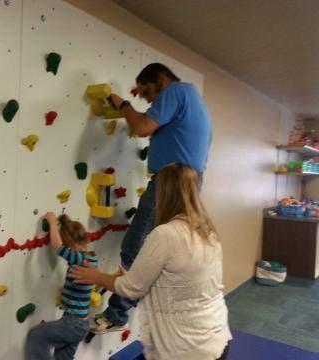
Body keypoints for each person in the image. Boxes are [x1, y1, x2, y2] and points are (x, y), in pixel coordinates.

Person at [90, 63, 212, 334]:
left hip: (173, 180)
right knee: (165, 248)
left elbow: (143, 127)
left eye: (147, 92)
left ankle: (117, 312)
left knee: (135, 247)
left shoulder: (176, 90)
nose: (147, 100)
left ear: (161, 79)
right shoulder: (192, 98)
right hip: (190, 181)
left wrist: (123, 105)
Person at [71, 163, 232, 360]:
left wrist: (95, 276)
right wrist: (136, 278)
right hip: (217, 338)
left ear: (164, 194)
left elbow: (130, 289)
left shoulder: (165, 234)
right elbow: (183, 284)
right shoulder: (207, 231)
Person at [25, 213, 99, 360]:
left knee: (36, 335)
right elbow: (81, 283)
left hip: (74, 323)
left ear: (70, 244)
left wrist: (52, 223)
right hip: (80, 322)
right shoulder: (92, 257)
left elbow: (57, 246)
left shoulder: (80, 258)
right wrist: (66, 289)